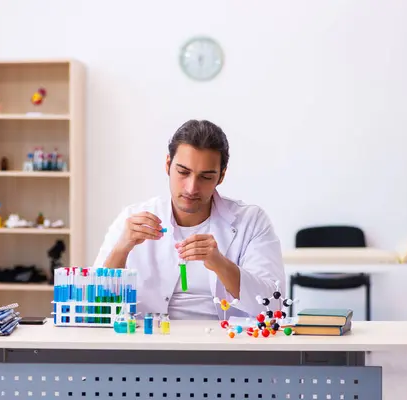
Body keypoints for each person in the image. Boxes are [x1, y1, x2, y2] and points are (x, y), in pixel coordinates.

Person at [93, 119, 285, 320]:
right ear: (168, 165)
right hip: (149, 344)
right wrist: (121, 249)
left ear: (221, 177)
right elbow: (95, 306)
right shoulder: (132, 220)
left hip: (223, 346)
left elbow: (273, 304)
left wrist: (220, 264)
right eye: (183, 172)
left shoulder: (251, 221)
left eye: (206, 177)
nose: (191, 188)